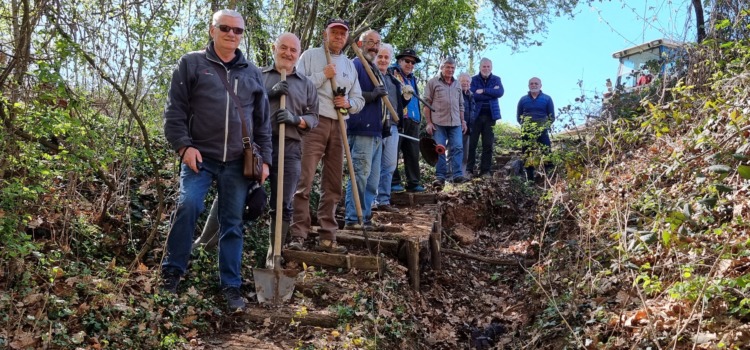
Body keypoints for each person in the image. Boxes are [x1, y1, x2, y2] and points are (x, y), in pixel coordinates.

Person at [161, 9, 272, 312]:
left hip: (238, 162)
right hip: (200, 157)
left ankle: (231, 287)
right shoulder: (191, 64)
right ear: (212, 30)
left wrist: (265, 162)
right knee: (189, 206)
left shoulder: (252, 72)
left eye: (238, 31)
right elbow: (174, 112)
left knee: (232, 224)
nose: (232, 34)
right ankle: (172, 272)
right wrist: (184, 147)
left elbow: (262, 124)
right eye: (225, 28)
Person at [291, 18, 364, 254]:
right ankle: (298, 234)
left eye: (343, 34)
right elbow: (297, 87)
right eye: (335, 32)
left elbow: (359, 100)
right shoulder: (310, 56)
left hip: (340, 124)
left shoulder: (350, 65)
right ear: (326, 34)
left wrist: (348, 103)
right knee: (304, 180)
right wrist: (323, 74)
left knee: (333, 184)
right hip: (314, 122)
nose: (339, 37)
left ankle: (327, 236)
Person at [343, 30, 387, 230]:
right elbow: (350, 97)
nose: (374, 47)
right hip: (360, 129)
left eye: (377, 43)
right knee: (359, 175)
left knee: (372, 179)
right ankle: (353, 218)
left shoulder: (374, 68)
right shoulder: (356, 65)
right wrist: (372, 95)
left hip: (376, 132)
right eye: (370, 42)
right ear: (360, 44)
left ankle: (366, 216)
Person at [423, 57, 466, 188]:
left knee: (458, 147)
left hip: (456, 123)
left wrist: (463, 121)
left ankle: (457, 175)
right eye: (447, 67)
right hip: (438, 122)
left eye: (453, 68)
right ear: (442, 67)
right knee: (439, 149)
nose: (450, 70)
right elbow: (426, 103)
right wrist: (429, 122)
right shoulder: (433, 82)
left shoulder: (457, 84)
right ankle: (440, 177)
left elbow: (461, 105)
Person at [374, 43, 406, 213]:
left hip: (392, 126)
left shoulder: (394, 80)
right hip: (375, 126)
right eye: (380, 56)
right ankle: (370, 200)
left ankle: (383, 199)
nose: (383, 60)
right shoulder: (370, 74)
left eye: (386, 57)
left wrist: (406, 96)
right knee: (374, 165)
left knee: (390, 165)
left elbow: (398, 104)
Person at [389, 48, 425, 193]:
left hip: (413, 120)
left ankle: (413, 182)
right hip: (398, 118)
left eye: (413, 62)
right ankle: (393, 182)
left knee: (413, 152)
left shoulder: (413, 78)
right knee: (393, 152)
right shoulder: (392, 73)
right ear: (399, 61)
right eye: (407, 61)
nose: (410, 64)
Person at [468, 58, 504, 178]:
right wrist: (490, 93)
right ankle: (469, 170)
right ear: (480, 67)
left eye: (488, 66)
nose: (486, 69)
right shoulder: (473, 80)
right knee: (471, 144)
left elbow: (500, 93)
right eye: (484, 66)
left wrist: (483, 91)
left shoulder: (496, 79)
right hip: (475, 116)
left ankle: (485, 171)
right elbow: (472, 95)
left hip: (490, 116)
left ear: (491, 67)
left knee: (488, 144)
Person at [516, 77, 555, 181]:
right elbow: (519, 116)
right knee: (527, 153)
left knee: (546, 151)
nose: (534, 85)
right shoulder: (523, 99)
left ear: (540, 85)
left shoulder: (547, 98)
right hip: (527, 130)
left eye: (536, 83)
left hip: (542, 129)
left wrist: (544, 126)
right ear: (528, 86)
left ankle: (549, 177)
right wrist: (525, 126)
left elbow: (551, 116)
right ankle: (530, 179)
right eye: (531, 84)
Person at [458, 72, 475, 178]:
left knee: (465, 154)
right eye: (463, 81)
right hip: (456, 126)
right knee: (454, 150)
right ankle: (450, 175)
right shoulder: (456, 93)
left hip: (468, 128)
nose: (465, 83)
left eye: (467, 81)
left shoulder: (471, 95)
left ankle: (462, 175)